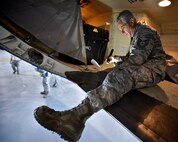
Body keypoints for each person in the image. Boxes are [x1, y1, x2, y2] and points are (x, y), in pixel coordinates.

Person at [34, 10, 167, 141]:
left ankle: (75, 118)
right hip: (147, 64)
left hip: (155, 69)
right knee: (113, 71)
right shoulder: (137, 34)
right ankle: (78, 112)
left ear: (131, 21)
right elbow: (131, 57)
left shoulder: (144, 32)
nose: (122, 31)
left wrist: (115, 69)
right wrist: (115, 59)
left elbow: (137, 59)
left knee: (121, 75)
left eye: (122, 27)